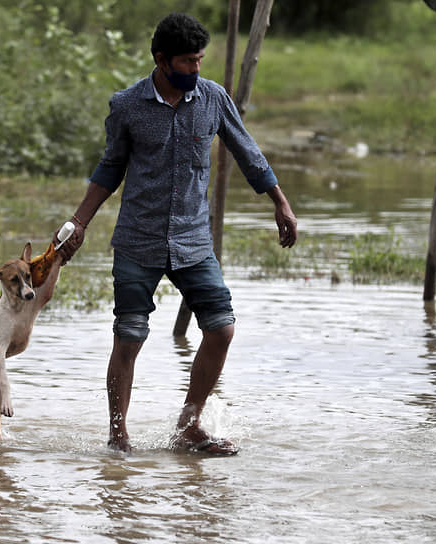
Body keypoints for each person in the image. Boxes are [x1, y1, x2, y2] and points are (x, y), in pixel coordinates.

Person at [55, 12, 297, 455]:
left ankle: (190, 424)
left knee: (221, 328)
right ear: (161, 60)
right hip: (138, 239)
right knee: (129, 335)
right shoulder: (127, 105)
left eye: (200, 60)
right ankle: (118, 435)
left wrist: (279, 201)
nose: (197, 69)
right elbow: (110, 168)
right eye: (188, 61)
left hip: (192, 240)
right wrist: (79, 223)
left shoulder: (213, 99)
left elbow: (247, 151)